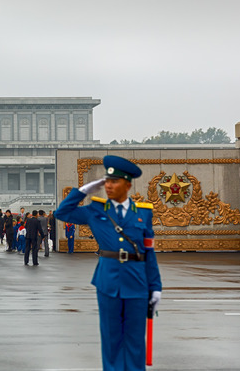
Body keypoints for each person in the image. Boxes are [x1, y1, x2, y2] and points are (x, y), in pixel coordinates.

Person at [55, 155, 162, 371]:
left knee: (134, 341)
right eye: (107, 181)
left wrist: (156, 286)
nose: (109, 186)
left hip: (137, 282)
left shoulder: (143, 213)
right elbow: (62, 213)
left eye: (114, 182)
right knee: (111, 340)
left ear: (128, 185)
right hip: (108, 282)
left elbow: (149, 252)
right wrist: (82, 191)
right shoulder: (96, 211)